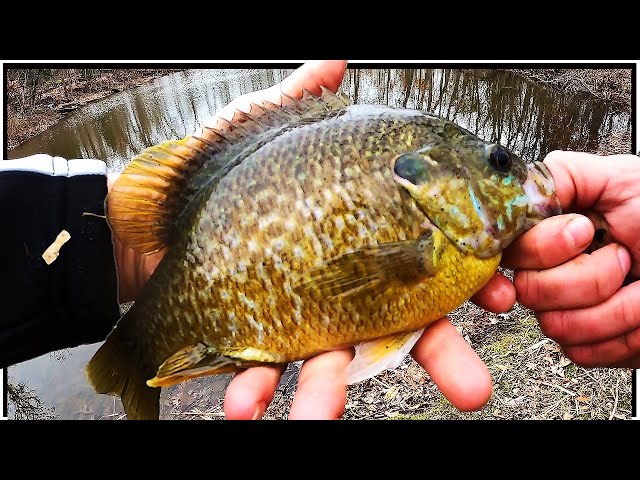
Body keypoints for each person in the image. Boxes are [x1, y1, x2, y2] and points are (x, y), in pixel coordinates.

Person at [1, 61, 637, 421]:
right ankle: (138, 357)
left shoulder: (462, 244)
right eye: (498, 164)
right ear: (433, 178)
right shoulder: (436, 232)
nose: (515, 177)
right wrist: (126, 243)